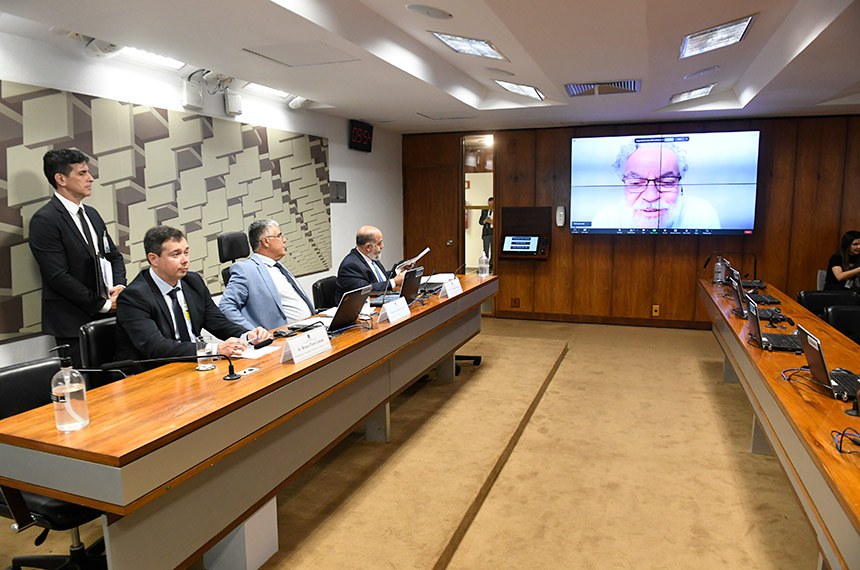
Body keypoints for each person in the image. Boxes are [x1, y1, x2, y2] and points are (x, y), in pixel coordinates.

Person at [29, 148, 127, 367]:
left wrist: (119, 287)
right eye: (82, 173)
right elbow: (58, 276)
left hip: (110, 316)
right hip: (73, 324)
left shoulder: (91, 214)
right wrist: (102, 304)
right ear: (61, 179)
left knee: (117, 382)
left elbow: (113, 256)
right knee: (87, 389)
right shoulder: (45, 220)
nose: (90, 178)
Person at [115, 226, 270, 363]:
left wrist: (247, 336)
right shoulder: (134, 296)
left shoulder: (192, 281)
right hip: (153, 374)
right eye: (176, 254)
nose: (185, 260)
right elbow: (155, 347)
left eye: (186, 252)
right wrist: (214, 350)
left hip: (193, 364)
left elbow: (217, 322)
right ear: (154, 259)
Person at [591, 143, 721, 230]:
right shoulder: (605, 219)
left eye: (666, 182)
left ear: (680, 183)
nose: (651, 196)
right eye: (636, 183)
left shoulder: (702, 214)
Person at [219, 219, 315, 329]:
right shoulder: (245, 269)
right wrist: (253, 332)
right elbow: (226, 307)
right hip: (283, 337)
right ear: (266, 241)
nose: (284, 240)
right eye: (279, 236)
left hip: (310, 329)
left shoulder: (277, 266)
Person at [334, 225, 406, 303]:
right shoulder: (351, 265)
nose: (382, 246)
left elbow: (380, 280)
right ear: (368, 247)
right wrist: (394, 282)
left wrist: (399, 271)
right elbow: (366, 290)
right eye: (379, 243)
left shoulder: (371, 256)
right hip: (357, 310)